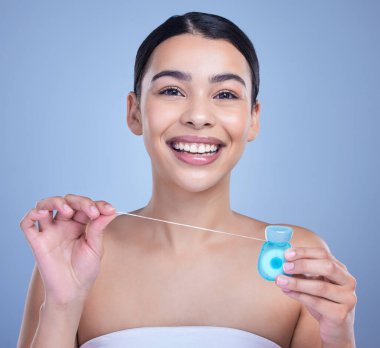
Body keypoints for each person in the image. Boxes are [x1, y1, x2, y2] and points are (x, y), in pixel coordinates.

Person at [17, 11, 357, 348]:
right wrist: (62, 305)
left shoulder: (299, 261)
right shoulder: (74, 256)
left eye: (225, 94)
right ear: (134, 112)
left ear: (253, 119)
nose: (197, 116)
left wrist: (339, 336)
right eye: (172, 91)